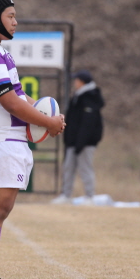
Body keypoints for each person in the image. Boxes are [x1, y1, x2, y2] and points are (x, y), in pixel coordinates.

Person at [0, 0, 66, 279]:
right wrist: (47, 122)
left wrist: (48, 117)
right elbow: (9, 102)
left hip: (5, 140)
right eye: (10, 15)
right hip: (1, 140)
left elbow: (20, 96)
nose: (15, 21)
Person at [50, 69, 105, 205]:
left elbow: (88, 124)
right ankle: (66, 195)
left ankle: (90, 196)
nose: (75, 82)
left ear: (82, 82)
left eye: (77, 80)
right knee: (68, 168)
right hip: (73, 142)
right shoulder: (78, 96)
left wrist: (81, 142)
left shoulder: (90, 97)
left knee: (85, 168)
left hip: (85, 143)